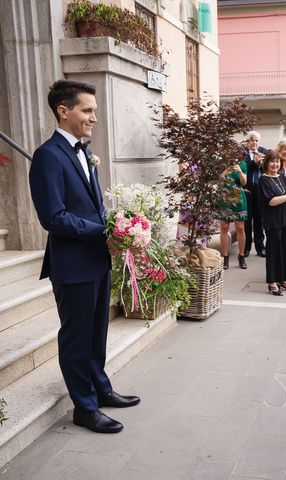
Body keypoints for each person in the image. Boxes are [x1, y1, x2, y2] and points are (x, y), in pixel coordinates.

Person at [29, 80, 140, 434]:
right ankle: (84, 407)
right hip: (72, 264)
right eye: (87, 110)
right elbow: (54, 216)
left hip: (96, 260)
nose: (94, 117)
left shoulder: (83, 152)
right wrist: (104, 233)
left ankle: (102, 390)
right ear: (64, 111)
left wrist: (117, 226)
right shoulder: (48, 156)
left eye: (94, 110)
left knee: (97, 334)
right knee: (77, 338)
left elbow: (91, 208)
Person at [259, 150, 286, 296]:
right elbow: (271, 201)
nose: (275, 164)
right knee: (273, 251)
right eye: (272, 161)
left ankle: (283, 279)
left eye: (277, 161)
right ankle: (272, 282)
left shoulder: (283, 178)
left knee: (285, 250)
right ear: (266, 163)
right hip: (273, 220)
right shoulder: (263, 180)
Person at [218, 160, 248, 269]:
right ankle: (225, 256)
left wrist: (240, 171)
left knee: (240, 228)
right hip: (224, 198)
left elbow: (244, 182)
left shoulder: (242, 163)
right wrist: (225, 171)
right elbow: (218, 181)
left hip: (238, 198)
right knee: (224, 227)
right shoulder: (221, 162)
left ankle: (241, 256)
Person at [243, 131, 268, 258]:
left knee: (259, 220)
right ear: (247, 142)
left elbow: (269, 168)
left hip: (260, 190)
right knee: (247, 220)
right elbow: (244, 169)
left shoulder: (264, 151)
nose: (254, 142)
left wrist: (261, 163)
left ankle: (260, 247)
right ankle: (246, 248)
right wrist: (254, 162)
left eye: (256, 140)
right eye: (252, 140)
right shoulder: (243, 154)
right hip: (247, 190)